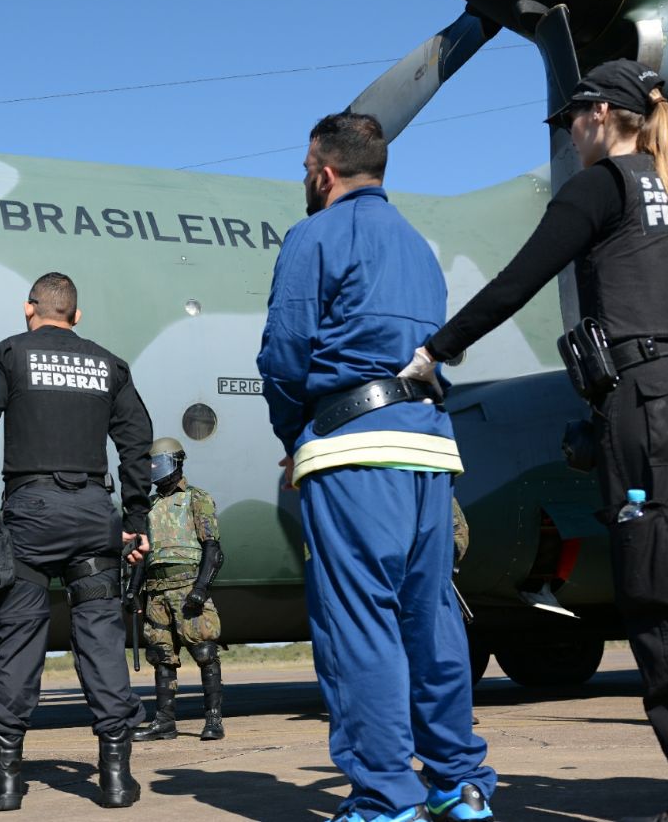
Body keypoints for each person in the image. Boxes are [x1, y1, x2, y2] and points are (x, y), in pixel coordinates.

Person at [400, 59, 668, 822]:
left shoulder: (603, 186)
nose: (568, 136)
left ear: (599, 116)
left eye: (570, 122)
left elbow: (519, 278)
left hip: (652, 409)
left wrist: (435, 350)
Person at [257, 112, 495, 822]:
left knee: (359, 623)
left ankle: (386, 796)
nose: (306, 179)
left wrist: (294, 433)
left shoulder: (314, 236)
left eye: (307, 168)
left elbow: (284, 353)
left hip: (353, 448)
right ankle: (458, 783)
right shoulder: (418, 245)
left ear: (324, 171)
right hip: (429, 446)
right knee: (432, 617)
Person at [0, 271, 153, 811]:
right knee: (101, 639)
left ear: (29, 308)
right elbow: (137, 440)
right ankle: (116, 778)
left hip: (32, 514)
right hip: (94, 516)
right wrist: (136, 515)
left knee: (21, 639)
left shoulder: (8, 354)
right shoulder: (109, 365)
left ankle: (4, 781)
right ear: (77, 315)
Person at [131, 436, 226, 743]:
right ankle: (164, 722)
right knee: (161, 656)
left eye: (158, 463)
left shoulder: (196, 498)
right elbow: (143, 555)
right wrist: (133, 591)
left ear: (175, 463)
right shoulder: (149, 506)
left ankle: (213, 719)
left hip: (187, 587)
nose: (154, 469)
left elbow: (213, 549)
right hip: (157, 590)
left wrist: (201, 588)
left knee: (204, 651)